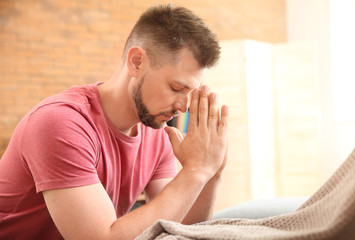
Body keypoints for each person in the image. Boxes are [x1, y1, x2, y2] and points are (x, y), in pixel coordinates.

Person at [0, 5, 228, 239]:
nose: (183, 106)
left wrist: (211, 172)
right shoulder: (60, 123)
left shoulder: (156, 133)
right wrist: (195, 171)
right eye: (176, 88)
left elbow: (177, 227)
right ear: (137, 62)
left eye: (189, 92)